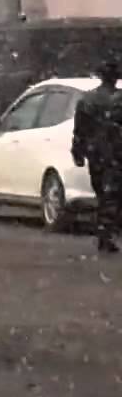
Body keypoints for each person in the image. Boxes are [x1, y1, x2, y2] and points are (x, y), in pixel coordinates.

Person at [72, 58, 122, 253]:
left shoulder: (87, 99)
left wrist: (78, 151)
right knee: (111, 195)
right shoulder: (118, 100)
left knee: (102, 192)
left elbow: (79, 130)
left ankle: (103, 232)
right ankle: (105, 232)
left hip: (96, 153)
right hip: (115, 153)